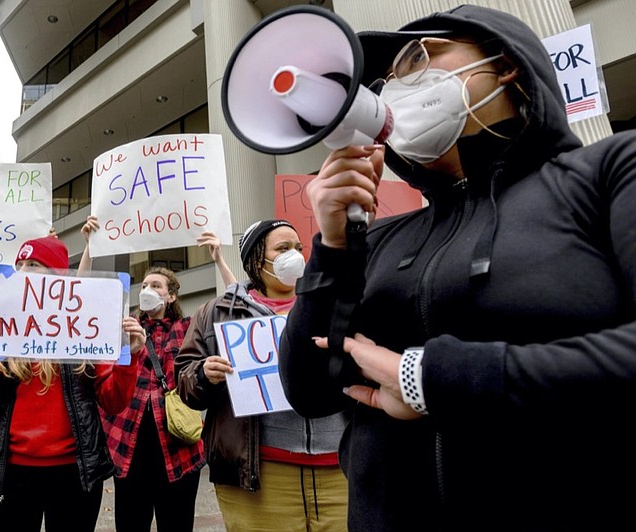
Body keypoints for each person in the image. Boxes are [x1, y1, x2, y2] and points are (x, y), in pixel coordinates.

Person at [278, 5, 636, 531]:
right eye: (386, 81)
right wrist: (332, 246)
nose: (396, 87)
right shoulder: (375, 240)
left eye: (419, 57)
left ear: (506, 62)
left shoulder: (606, 173)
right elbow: (308, 390)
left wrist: (434, 378)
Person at [175, 219, 350, 532]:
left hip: (339, 468)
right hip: (259, 475)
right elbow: (186, 382)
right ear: (256, 259)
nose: (295, 255)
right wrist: (204, 373)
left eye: (298, 248)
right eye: (282, 249)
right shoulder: (217, 312)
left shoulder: (332, 303)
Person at [0, 235, 140, 532]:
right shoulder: (1, 330)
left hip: (75, 473)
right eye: (20, 265)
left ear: (59, 279)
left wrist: (129, 359)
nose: (24, 271)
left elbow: (113, 401)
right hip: (12, 472)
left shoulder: (84, 329)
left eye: (34, 264)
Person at [79, 215, 226, 532]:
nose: (147, 289)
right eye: (143, 285)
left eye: (155, 286)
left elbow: (232, 309)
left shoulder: (188, 329)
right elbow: (78, 304)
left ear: (171, 296)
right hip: (128, 452)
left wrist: (218, 259)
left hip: (178, 454)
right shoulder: (123, 329)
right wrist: (90, 248)